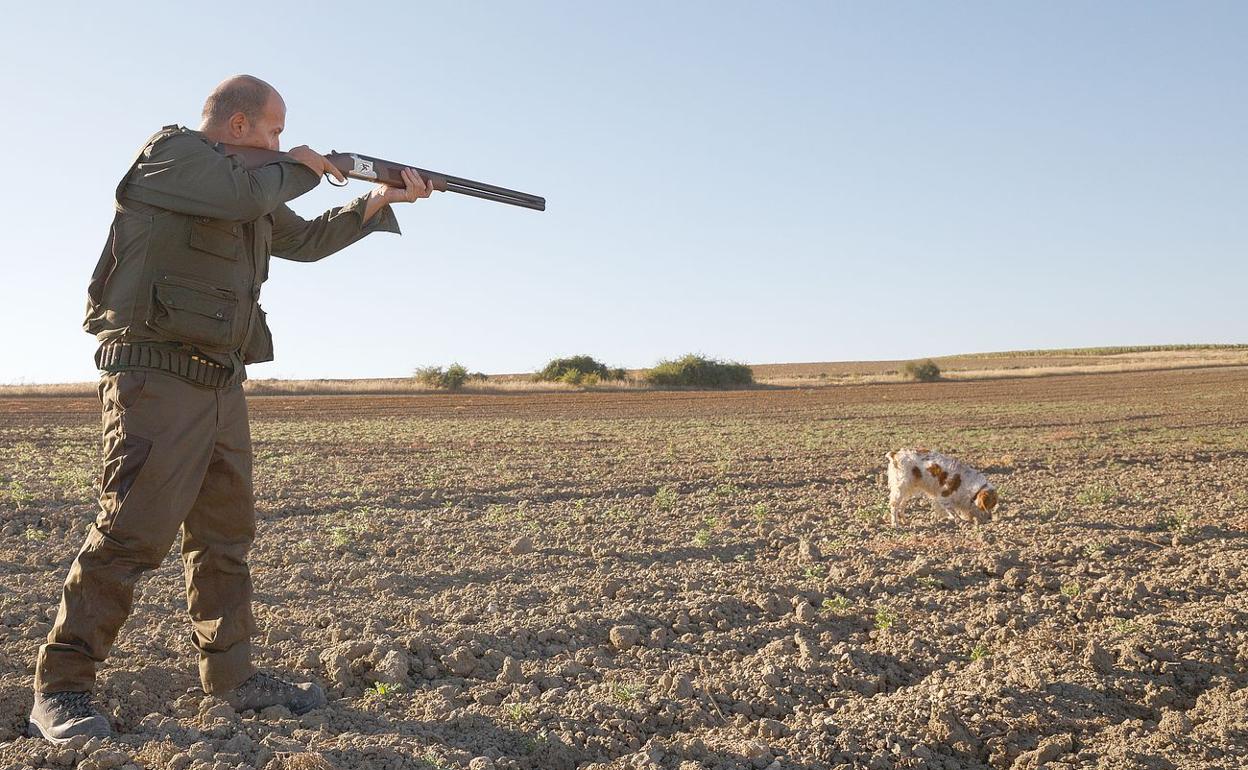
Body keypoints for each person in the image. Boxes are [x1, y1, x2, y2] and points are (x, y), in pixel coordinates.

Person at [29, 74, 433, 744]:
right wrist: (300, 164)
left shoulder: (253, 189)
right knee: (131, 530)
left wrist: (377, 199)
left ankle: (233, 678)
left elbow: (300, 241)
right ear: (240, 125)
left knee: (225, 536)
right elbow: (242, 190)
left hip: (220, 381)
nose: (281, 142)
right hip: (155, 377)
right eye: (273, 132)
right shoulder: (174, 155)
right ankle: (62, 689)